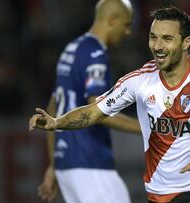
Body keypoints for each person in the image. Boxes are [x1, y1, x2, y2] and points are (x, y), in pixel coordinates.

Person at [30, 7, 190, 203]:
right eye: (153, 37)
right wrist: (56, 122)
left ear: (186, 42)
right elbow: (93, 112)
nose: (158, 46)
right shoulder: (139, 80)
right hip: (159, 191)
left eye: (167, 38)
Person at [36, 0, 141, 203]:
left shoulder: (72, 48)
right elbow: (98, 110)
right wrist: (145, 128)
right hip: (90, 162)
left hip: (67, 166)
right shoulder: (95, 54)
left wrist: (53, 164)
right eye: (126, 24)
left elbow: (52, 107)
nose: (127, 32)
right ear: (112, 20)